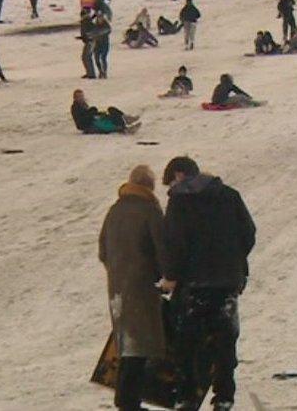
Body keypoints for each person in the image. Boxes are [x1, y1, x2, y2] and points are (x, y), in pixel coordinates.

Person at [161, 156, 256, 411]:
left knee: (187, 342)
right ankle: (224, 396)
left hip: (193, 284)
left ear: (179, 175)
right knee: (225, 340)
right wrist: (234, 260)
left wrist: (171, 275)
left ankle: (187, 396)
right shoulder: (229, 195)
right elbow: (248, 232)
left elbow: (174, 243)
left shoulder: (179, 202)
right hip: (227, 281)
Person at [99, 165, 170, 410]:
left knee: (126, 344)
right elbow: (162, 250)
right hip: (142, 287)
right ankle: (128, 401)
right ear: (149, 186)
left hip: (117, 286)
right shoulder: (150, 211)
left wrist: (116, 271)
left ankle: (126, 398)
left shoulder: (114, 211)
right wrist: (166, 277)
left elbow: (102, 251)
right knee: (141, 346)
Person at [70, 89, 140, 134]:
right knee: (108, 121)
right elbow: (81, 121)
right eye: (79, 97)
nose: (82, 98)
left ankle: (126, 118)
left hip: (92, 121)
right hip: (88, 126)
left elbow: (89, 114)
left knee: (111, 110)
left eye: (82, 96)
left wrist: (97, 113)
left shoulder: (83, 105)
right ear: (75, 98)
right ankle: (124, 127)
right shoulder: (75, 107)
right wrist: (93, 113)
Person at [93, 12, 112, 79]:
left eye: (101, 17)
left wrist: (99, 33)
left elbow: (109, 30)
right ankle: (100, 71)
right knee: (96, 58)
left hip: (105, 43)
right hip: (97, 44)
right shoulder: (95, 25)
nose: (100, 19)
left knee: (103, 58)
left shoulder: (106, 25)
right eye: (98, 17)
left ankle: (104, 72)